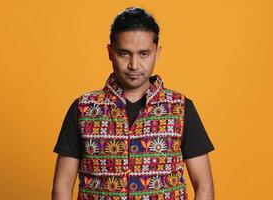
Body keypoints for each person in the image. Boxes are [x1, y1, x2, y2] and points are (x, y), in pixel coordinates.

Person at [52, 7, 215, 200]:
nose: (134, 65)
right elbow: (62, 187)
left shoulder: (180, 108)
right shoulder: (83, 109)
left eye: (144, 54)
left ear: (157, 52)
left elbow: (204, 186)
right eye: (124, 54)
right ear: (110, 52)